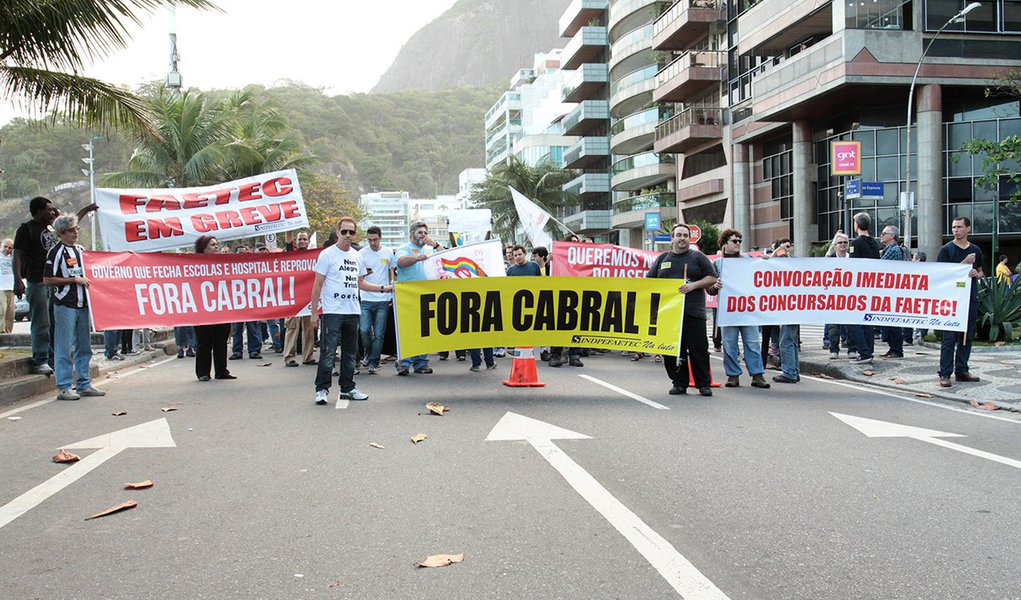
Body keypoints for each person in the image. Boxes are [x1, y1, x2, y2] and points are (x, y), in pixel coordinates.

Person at [310, 218, 394, 405]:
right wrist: (314, 312)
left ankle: (348, 387)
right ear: (338, 232)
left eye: (352, 232)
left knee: (350, 353)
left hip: (353, 310)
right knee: (328, 351)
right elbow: (317, 284)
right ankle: (322, 389)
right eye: (344, 231)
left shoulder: (357, 256)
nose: (348, 235)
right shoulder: (327, 254)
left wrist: (384, 289)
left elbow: (360, 283)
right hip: (332, 311)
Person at [647, 223, 718, 396]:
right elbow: (649, 282)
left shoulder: (698, 257)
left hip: (694, 312)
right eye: (679, 235)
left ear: (689, 238)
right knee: (672, 351)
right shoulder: (663, 259)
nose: (682, 239)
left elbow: (711, 277)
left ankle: (703, 384)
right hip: (669, 315)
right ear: (672, 238)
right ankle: (679, 383)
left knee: (698, 349)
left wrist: (693, 286)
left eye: (685, 235)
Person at [43, 215, 105, 400]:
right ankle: (63, 386)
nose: (75, 233)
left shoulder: (81, 250)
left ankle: (84, 383)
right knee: (64, 346)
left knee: (84, 346)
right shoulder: (56, 252)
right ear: (62, 233)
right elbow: (47, 280)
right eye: (71, 230)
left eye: (76, 229)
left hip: (83, 304)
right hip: (65, 304)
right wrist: (73, 280)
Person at [709, 229, 770, 389]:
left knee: (753, 343)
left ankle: (757, 375)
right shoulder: (717, 264)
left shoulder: (749, 261)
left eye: (739, 241)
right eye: (734, 241)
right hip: (729, 312)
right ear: (724, 244)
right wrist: (715, 286)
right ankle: (733, 375)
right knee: (729, 344)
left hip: (748, 311)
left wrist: (767, 262)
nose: (738, 244)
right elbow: (709, 288)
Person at [13, 196, 60, 374]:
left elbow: (70, 225)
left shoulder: (52, 228)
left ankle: (54, 358)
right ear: (39, 211)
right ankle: (41, 359)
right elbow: (17, 255)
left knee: (55, 322)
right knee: (41, 323)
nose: (52, 212)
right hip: (37, 281)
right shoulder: (26, 229)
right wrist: (18, 280)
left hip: (54, 282)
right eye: (49, 209)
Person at [937, 216, 984, 388]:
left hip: (970, 298)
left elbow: (980, 272)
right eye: (954, 227)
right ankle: (944, 373)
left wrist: (975, 274)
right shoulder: (946, 250)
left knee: (967, 336)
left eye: (959, 227)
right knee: (949, 337)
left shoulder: (975, 250)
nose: (956, 230)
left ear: (968, 228)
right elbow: (941, 274)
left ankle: (962, 370)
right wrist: (964, 264)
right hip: (951, 300)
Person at [393, 221, 442, 376]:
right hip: (407, 295)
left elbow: (446, 256)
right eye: (420, 232)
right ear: (412, 234)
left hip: (426, 295)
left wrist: (435, 245)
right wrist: (417, 258)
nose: (423, 235)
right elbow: (401, 262)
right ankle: (404, 362)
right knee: (407, 330)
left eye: (425, 233)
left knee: (424, 330)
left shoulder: (429, 248)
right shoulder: (404, 248)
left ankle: (421, 362)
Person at [193, 236, 235, 382]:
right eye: (212, 245)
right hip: (202, 309)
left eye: (217, 244)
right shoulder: (192, 265)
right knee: (204, 341)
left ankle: (221, 371)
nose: (216, 247)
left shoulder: (223, 264)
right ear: (203, 248)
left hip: (221, 307)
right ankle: (203, 372)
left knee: (221, 340)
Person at [846, 212, 880, 364]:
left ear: (857, 226)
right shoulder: (874, 242)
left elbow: (853, 266)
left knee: (851, 321)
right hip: (872, 287)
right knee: (868, 321)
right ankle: (869, 351)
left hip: (859, 287)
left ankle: (864, 352)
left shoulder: (856, 243)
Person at [358, 226, 393, 375]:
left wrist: (391, 288)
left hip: (383, 299)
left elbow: (391, 271)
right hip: (365, 298)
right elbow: (358, 277)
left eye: (375, 240)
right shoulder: (361, 254)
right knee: (365, 330)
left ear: (380, 237)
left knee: (379, 333)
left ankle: (374, 362)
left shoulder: (388, 252)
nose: (372, 243)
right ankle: (368, 353)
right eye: (370, 240)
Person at [283, 230, 317, 367]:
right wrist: (290, 224)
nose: (302, 241)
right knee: (292, 327)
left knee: (309, 328)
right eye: (300, 239)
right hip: (292, 297)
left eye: (304, 239)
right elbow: (288, 238)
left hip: (308, 297)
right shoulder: (291, 252)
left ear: (308, 242)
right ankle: (289, 357)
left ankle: (308, 356)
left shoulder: (313, 256)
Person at [824, 231, 855, 359]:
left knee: (851, 325)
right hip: (834, 297)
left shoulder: (853, 259)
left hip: (850, 297)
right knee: (833, 326)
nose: (842, 245)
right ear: (835, 245)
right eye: (840, 242)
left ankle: (851, 349)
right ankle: (834, 349)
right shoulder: (830, 260)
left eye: (845, 242)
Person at [229, 245, 263, 360]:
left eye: (244, 252)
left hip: (251, 302)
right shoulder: (230, 268)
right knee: (237, 328)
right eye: (240, 253)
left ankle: (254, 350)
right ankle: (237, 351)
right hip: (237, 302)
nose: (242, 254)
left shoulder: (252, 267)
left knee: (253, 327)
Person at [878, 225, 904, 359]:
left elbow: (881, 264)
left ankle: (897, 349)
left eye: (884, 233)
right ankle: (892, 347)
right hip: (888, 290)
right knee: (889, 321)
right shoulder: (887, 249)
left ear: (892, 236)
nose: (881, 235)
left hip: (893, 290)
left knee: (894, 321)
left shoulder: (894, 250)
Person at [0, 238, 15, 333]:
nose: (7, 249)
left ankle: (8, 332)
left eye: (10, 248)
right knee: (2, 309)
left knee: (10, 312)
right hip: (0, 287)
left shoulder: (13, 258)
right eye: (5, 246)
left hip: (11, 287)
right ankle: (1, 332)